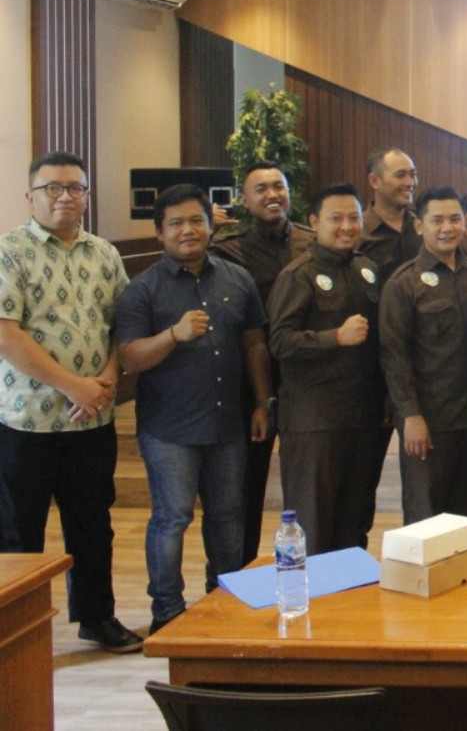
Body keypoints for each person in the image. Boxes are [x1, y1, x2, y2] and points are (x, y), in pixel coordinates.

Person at [0, 151, 141, 653]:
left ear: (86, 194)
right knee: (19, 532)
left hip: (91, 421)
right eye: (52, 188)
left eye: (75, 188)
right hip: (26, 423)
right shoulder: (9, 251)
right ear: (30, 196)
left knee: (92, 525)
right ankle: (18, 631)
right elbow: (7, 334)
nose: (64, 197)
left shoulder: (104, 254)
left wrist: (106, 379)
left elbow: (123, 325)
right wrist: (72, 385)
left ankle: (96, 617)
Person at [114, 185, 270, 635]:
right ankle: (166, 611)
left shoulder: (236, 278)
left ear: (210, 225)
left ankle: (223, 603)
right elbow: (129, 358)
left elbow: (254, 344)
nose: (188, 230)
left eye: (196, 220)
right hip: (170, 430)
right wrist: (173, 335)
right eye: (177, 223)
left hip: (227, 424)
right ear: (159, 232)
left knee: (228, 517)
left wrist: (263, 402)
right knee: (171, 520)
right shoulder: (142, 289)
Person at [268, 183, 389, 555]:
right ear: (314, 222)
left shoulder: (367, 268)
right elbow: (280, 342)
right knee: (314, 521)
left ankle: (352, 590)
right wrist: (334, 337)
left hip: (363, 418)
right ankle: (313, 592)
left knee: (356, 520)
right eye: (336, 218)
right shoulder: (298, 275)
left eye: (353, 218)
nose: (346, 227)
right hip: (315, 421)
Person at [210, 159, 313, 563]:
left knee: (307, 484)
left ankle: (314, 568)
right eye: (261, 189)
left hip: (306, 381)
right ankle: (240, 570)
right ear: (244, 200)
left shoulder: (311, 242)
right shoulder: (226, 250)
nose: (272, 195)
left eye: (278, 186)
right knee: (245, 487)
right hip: (250, 384)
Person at [379, 186, 467, 526]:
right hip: (431, 422)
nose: (448, 228)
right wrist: (410, 416)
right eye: (438, 220)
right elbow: (394, 356)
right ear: (419, 226)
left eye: (455, 219)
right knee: (428, 517)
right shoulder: (403, 283)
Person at [359, 147, 420, 283]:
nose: (410, 182)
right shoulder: (357, 231)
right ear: (374, 181)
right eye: (400, 175)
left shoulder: (423, 226)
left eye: (412, 175)